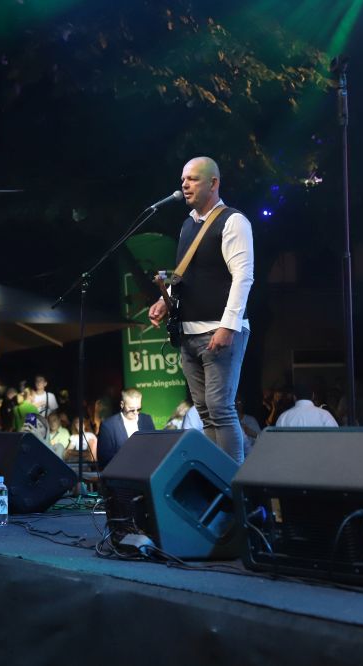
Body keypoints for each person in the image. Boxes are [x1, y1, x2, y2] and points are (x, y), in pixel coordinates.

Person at [149, 156, 254, 464]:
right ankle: (216, 477)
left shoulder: (233, 221)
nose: (185, 184)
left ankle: (233, 481)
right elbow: (184, 274)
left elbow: (243, 276)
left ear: (213, 183)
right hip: (189, 333)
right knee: (205, 413)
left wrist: (228, 325)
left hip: (218, 331)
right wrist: (164, 299)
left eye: (193, 178)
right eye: (183, 179)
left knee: (220, 409)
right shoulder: (187, 225)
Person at [96, 388, 156, 470]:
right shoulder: (108, 426)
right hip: (120, 473)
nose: (136, 412)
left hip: (147, 470)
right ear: (122, 404)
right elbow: (104, 458)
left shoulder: (146, 420)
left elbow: (154, 446)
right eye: (131, 409)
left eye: (139, 409)